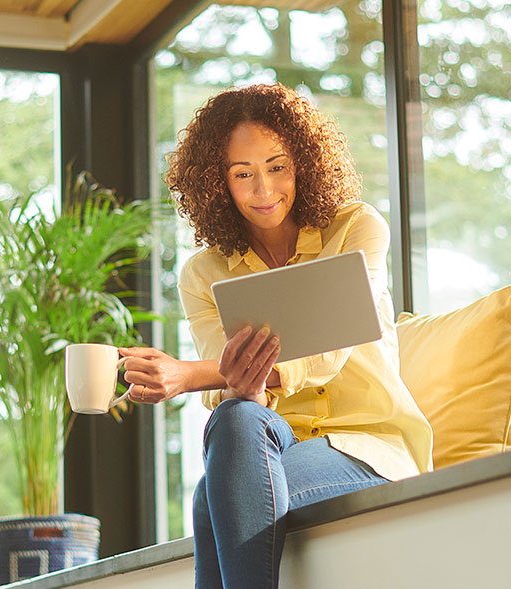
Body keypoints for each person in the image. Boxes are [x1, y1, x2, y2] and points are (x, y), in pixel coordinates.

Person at [117, 83, 433, 588]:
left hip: (368, 445)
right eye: (243, 174)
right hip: (269, 445)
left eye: (277, 167)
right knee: (237, 415)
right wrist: (240, 387)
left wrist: (185, 376)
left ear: (304, 163)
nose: (264, 191)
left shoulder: (356, 228)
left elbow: (328, 348)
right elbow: (233, 393)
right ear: (217, 183)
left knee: (208, 499)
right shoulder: (204, 273)